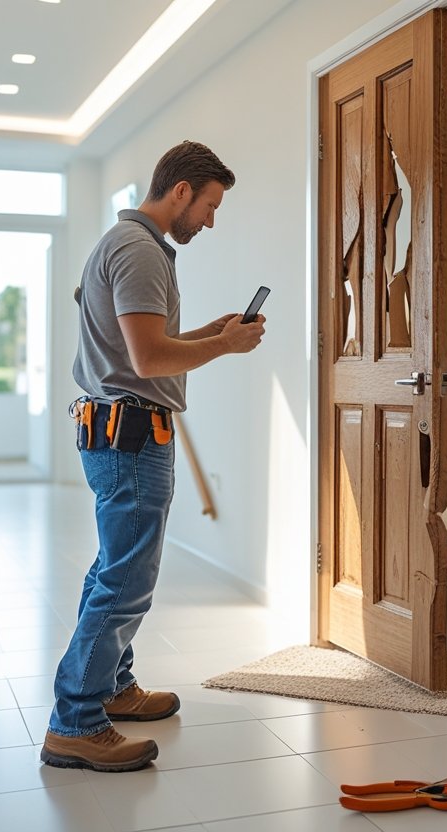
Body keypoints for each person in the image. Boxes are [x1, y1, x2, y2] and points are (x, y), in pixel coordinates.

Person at [41, 141, 265, 772]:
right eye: (211, 206)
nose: (211, 221)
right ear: (181, 191)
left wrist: (210, 335)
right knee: (126, 579)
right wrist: (226, 349)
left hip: (120, 430)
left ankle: (112, 686)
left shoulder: (128, 245)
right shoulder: (139, 251)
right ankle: (76, 721)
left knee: (115, 569)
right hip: (132, 435)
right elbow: (147, 362)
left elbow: (143, 346)